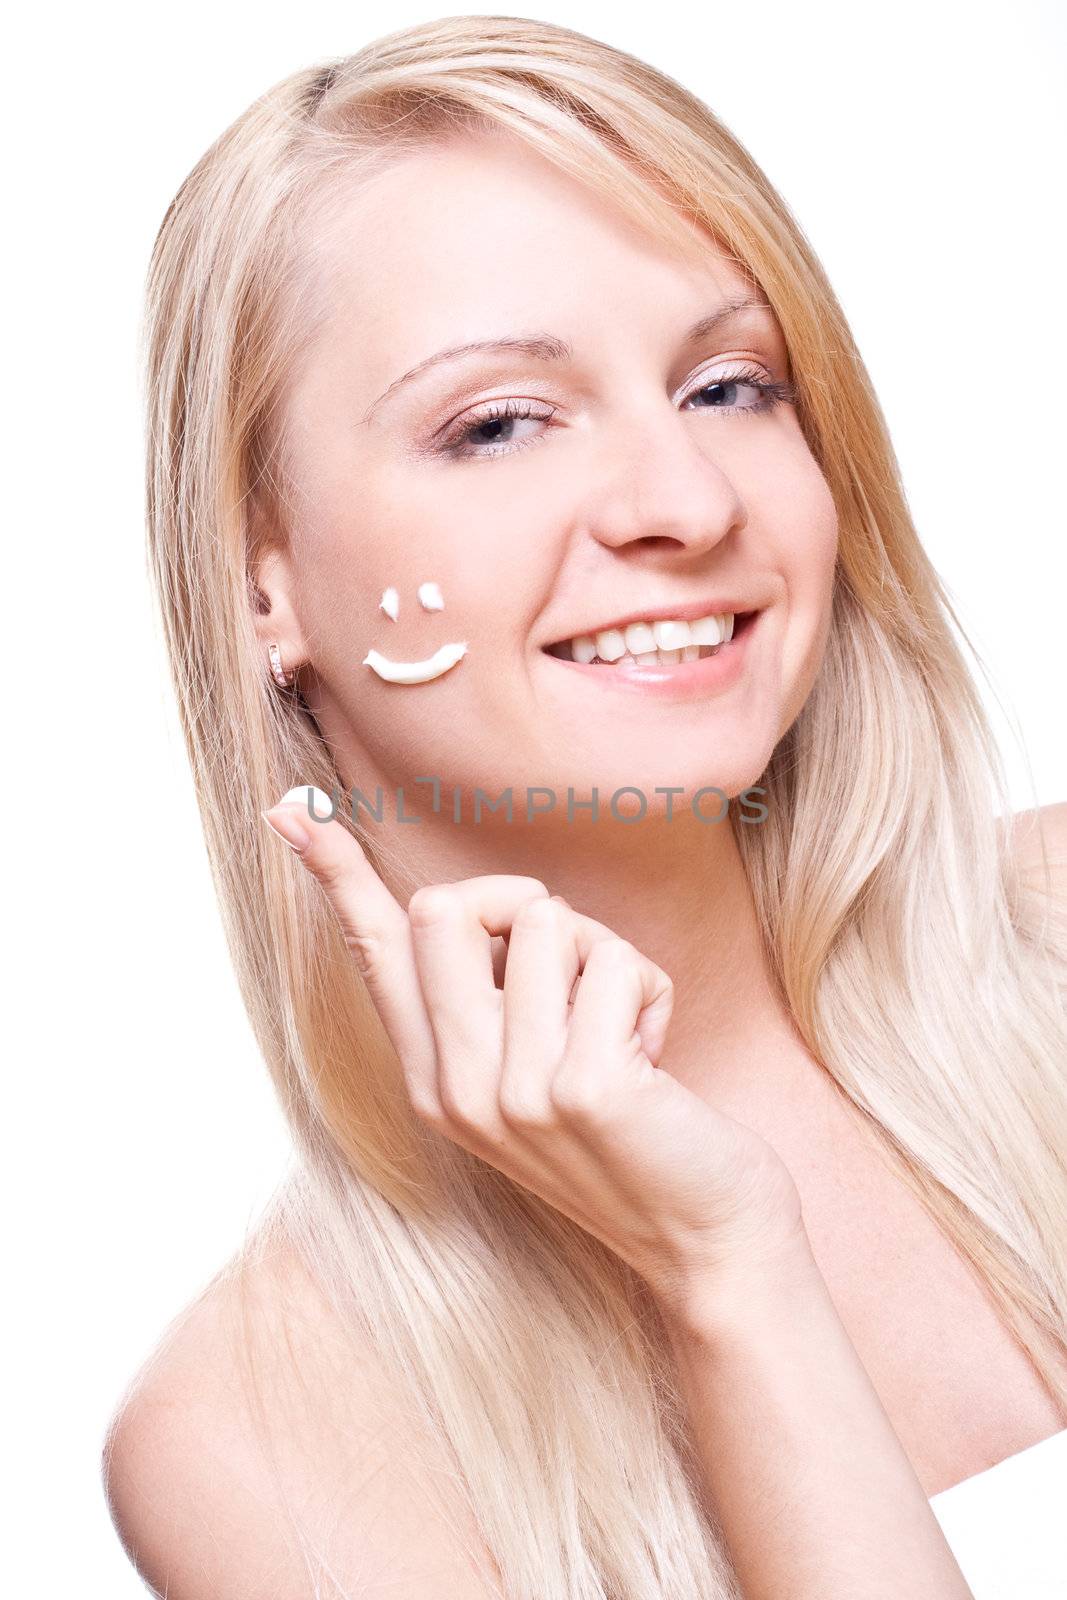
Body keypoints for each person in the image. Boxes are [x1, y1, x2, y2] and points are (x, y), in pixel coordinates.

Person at [101, 15, 1067, 1599]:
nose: (685, 505)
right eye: (496, 423)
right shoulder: (258, 1441)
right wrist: (728, 1279)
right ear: (260, 580)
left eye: (731, 385)